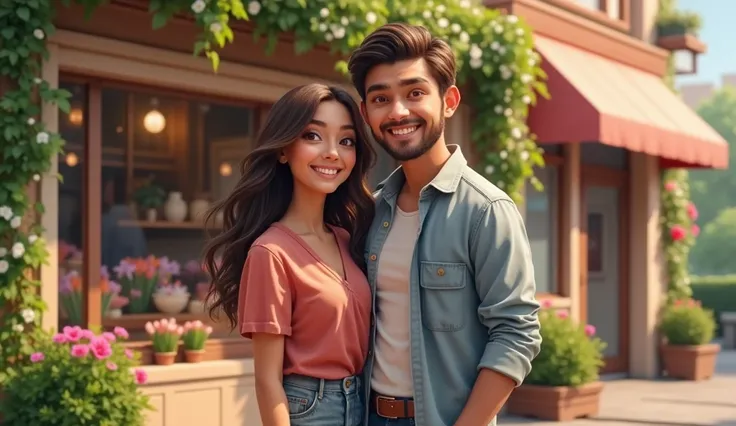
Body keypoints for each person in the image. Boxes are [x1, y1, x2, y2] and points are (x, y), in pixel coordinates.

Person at [347, 23, 542, 426]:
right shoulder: (372, 211)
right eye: (381, 98)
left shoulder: (486, 210)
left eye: (415, 93)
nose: (398, 111)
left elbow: (516, 333)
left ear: (449, 100)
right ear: (366, 113)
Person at [202, 83, 376, 426]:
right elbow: (267, 382)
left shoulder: (349, 239)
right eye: (313, 136)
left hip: (362, 403)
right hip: (310, 411)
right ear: (283, 149)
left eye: (346, 141)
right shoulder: (271, 252)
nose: (332, 153)